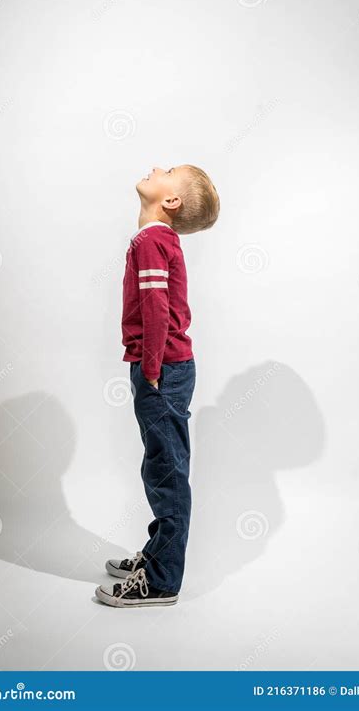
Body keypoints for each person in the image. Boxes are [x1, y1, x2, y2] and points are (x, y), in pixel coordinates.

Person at [95, 165, 220, 607]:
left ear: (171, 202)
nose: (154, 168)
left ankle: (163, 579)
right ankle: (157, 553)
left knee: (165, 471)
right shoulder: (157, 240)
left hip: (161, 369)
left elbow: (155, 308)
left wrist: (150, 366)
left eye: (166, 171)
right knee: (161, 464)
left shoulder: (152, 241)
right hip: (166, 367)